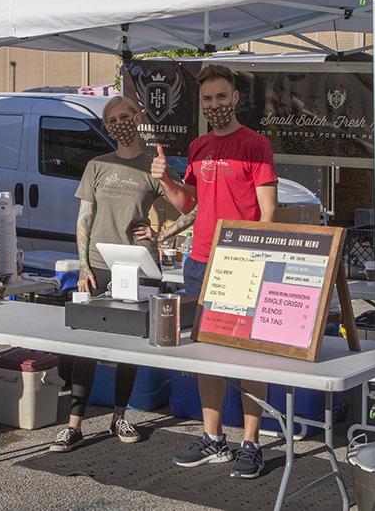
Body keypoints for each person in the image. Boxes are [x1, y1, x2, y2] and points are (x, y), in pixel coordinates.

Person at [151, 64, 278, 479]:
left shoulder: (256, 145)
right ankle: (214, 439)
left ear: (236, 98)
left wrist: (251, 258)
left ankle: (251, 442)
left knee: (245, 354)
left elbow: (268, 211)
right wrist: (166, 178)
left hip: (239, 261)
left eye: (221, 97)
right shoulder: (200, 146)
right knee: (207, 353)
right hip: (200, 260)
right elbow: (188, 204)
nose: (215, 105)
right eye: (207, 99)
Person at [50, 96, 194, 453]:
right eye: (111, 120)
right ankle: (74, 425)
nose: (119, 125)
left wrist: (163, 234)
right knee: (86, 343)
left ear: (138, 118)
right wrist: (82, 265)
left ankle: (120, 416)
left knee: (129, 346)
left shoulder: (153, 166)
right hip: (98, 263)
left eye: (124, 117)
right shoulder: (97, 164)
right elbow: (84, 217)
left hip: (138, 265)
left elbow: (193, 206)